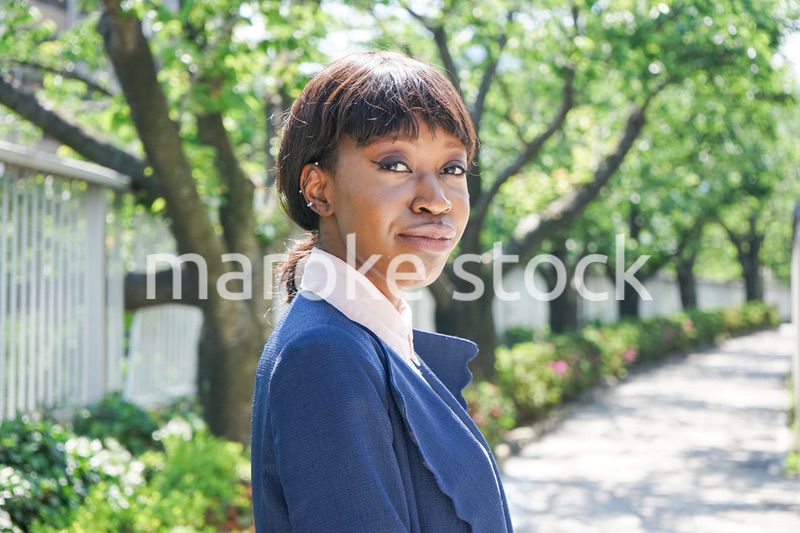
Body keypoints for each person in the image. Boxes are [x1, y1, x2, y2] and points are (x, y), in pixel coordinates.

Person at [250, 49, 514, 532]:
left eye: (453, 168)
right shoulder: (326, 353)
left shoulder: (375, 337)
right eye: (394, 164)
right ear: (319, 189)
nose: (435, 200)